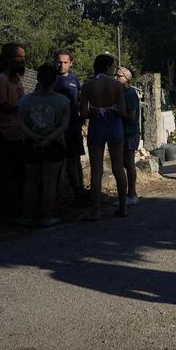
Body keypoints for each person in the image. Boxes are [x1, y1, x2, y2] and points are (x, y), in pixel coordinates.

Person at [18, 64, 70, 227]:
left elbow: (22, 124)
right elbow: (64, 125)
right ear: (55, 80)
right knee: (49, 181)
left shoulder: (25, 101)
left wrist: (35, 137)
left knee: (30, 181)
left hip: (30, 144)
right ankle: (48, 215)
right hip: (54, 144)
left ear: (38, 79)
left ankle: (27, 216)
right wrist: (49, 138)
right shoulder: (63, 101)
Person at [78, 54, 129, 219]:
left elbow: (83, 113)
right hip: (114, 126)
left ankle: (96, 211)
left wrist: (95, 110)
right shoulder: (116, 85)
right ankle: (122, 208)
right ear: (107, 67)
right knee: (118, 168)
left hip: (97, 127)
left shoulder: (87, 86)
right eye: (113, 67)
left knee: (96, 170)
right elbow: (122, 111)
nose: (114, 70)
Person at [0, 43, 27, 215]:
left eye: (23, 58)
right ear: (8, 59)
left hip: (20, 131)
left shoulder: (17, 79)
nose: (23, 61)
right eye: (19, 58)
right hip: (9, 133)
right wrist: (22, 107)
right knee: (15, 172)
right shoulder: (2, 80)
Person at [53, 49, 90, 206]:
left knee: (74, 161)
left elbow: (81, 100)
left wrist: (83, 117)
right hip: (55, 128)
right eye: (59, 62)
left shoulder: (75, 80)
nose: (62, 65)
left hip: (73, 127)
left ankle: (78, 193)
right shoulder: (50, 80)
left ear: (71, 63)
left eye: (65, 62)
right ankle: (53, 198)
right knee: (55, 164)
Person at [115, 66, 140, 206]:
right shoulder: (121, 93)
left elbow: (131, 115)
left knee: (129, 163)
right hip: (123, 132)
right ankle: (126, 194)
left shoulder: (130, 93)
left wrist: (116, 112)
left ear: (126, 78)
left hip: (130, 132)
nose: (116, 78)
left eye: (119, 76)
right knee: (123, 163)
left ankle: (132, 193)